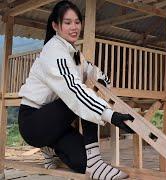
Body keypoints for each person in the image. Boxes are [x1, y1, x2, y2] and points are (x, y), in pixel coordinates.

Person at [18, 1, 134, 179]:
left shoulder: (74, 53)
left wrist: (103, 82)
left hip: (56, 125)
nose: (74, 27)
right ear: (55, 25)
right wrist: (111, 115)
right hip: (34, 122)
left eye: (77, 22)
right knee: (86, 92)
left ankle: (51, 148)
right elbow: (74, 90)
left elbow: (93, 72)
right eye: (67, 22)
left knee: (82, 164)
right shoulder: (54, 50)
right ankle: (95, 163)